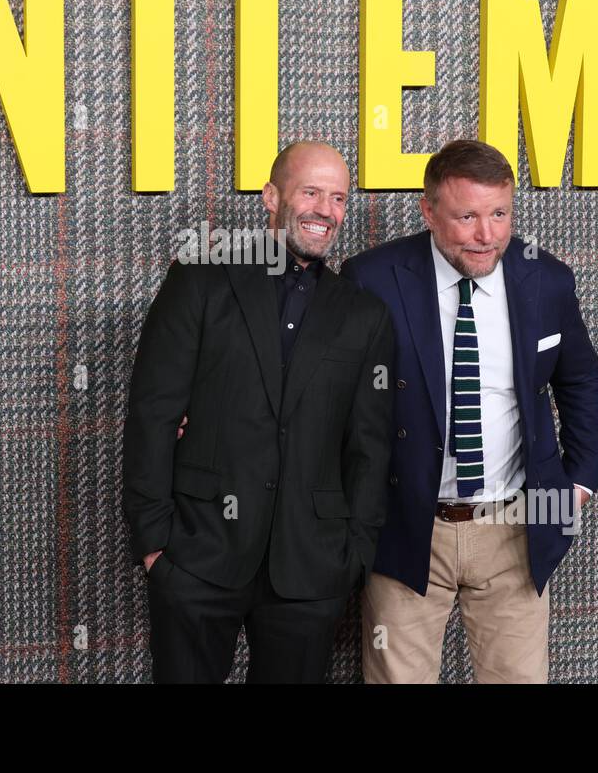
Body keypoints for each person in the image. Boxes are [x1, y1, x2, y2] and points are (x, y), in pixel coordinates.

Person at [122, 141, 394, 683]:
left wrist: (353, 557)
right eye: (311, 191)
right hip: (197, 555)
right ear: (272, 196)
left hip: (310, 571)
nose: (325, 210)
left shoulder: (363, 314)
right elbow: (152, 413)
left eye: (338, 197)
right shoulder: (200, 278)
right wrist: (155, 544)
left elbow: (370, 445)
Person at [340, 140, 598, 683]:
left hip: (516, 527)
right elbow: (330, 395)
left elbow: (579, 380)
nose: (487, 235)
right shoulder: (371, 279)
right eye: (466, 217)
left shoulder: (545, 280)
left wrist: (578, 483)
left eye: (499, 214)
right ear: (429, 210)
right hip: (407, 526)